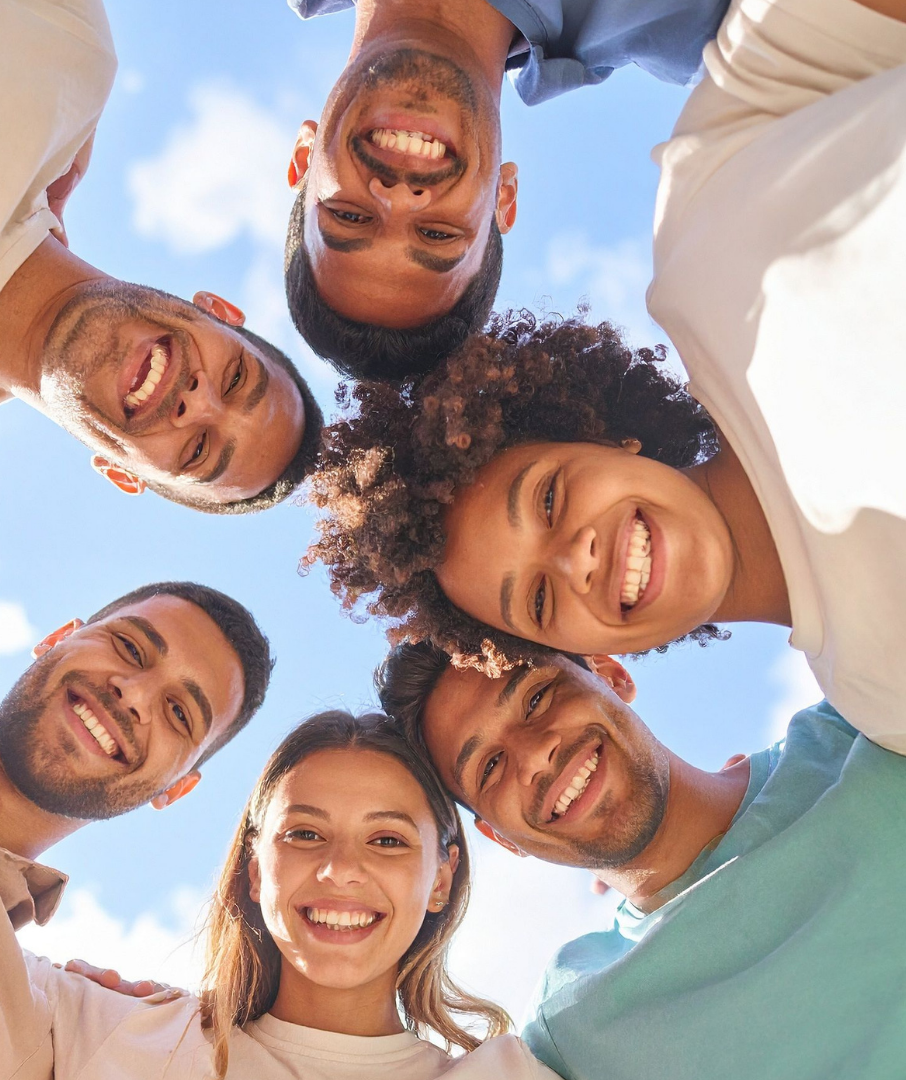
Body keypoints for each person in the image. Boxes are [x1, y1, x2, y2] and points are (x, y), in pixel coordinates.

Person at [0, 0, 324, 617]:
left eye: (198, 451)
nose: (198, 402)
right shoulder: (64, 54)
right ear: (218, 308)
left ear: (123, 475)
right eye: (236, 377)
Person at [306, 308, 905, 753]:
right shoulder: (883, 701)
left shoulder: (759, 311)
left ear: (606, 437)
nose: (575, 562)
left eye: (548, 499)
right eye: (539, 600)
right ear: (596, 656)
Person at [378, 641, 906, 1079]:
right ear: (502, 840)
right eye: (491, 765)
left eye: (537, 698)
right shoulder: (569, 1031)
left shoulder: (857, 733)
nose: (536, 756)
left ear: (610, 674)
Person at [0, 580, 271, 1078]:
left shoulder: (28, 1045)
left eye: (178, 713)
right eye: (129, 647)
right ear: (58, 636)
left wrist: (169, 1034)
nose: (136, 695)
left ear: (175, 789)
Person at [28, 711, 558, 1078]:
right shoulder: (115, 1031)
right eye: (305, 834)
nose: (341, 869)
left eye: (387, 840)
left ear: (441, 879)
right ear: (255, 869)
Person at [283, 0, 731, 381]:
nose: (399, 197)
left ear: (304, 157)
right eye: (437, 234)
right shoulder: (708, 29)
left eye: (350, 217)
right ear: (504, 196)